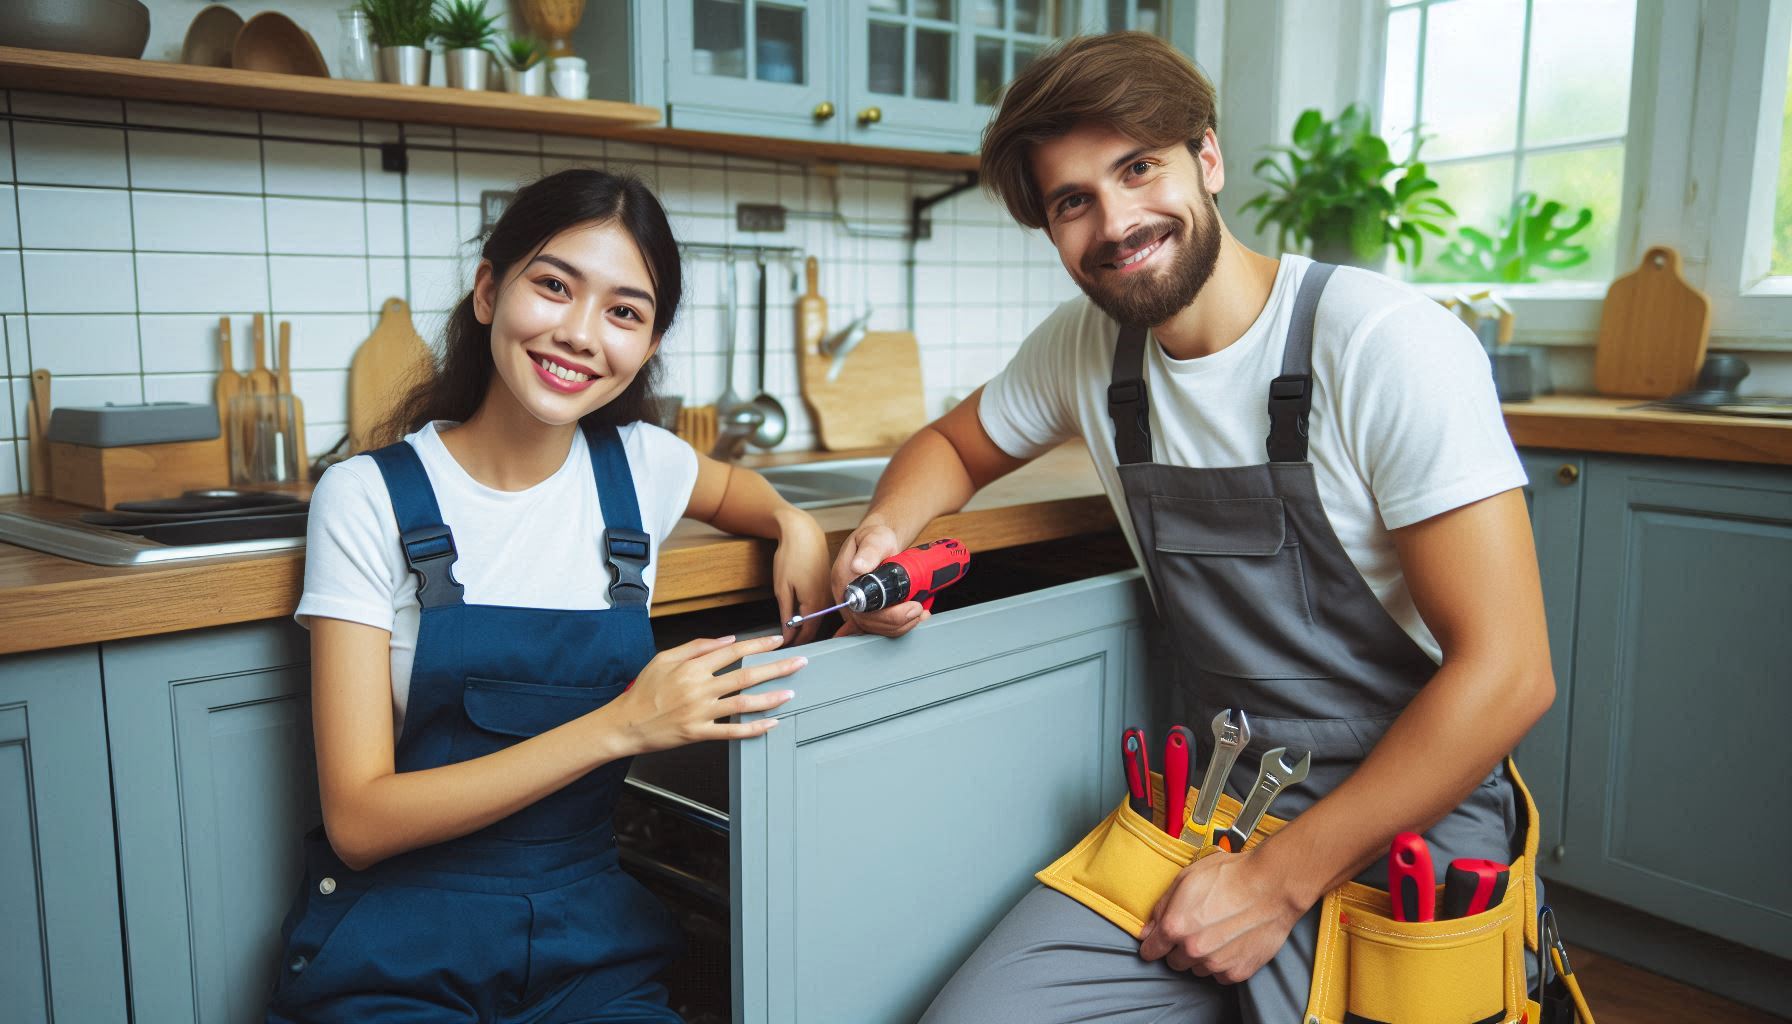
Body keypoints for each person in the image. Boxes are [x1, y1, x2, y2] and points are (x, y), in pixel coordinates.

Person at [832, 33, 1556, 1023]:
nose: (1116, 221)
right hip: (1213, 810)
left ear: (1205, 159)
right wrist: (882, 532)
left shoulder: (1385, 344)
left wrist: (1275, 884)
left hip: (1411, 823)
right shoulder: (1088, 349)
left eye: (1138, 169)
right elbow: (951, 446)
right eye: (1071, 200)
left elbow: (1509, 672)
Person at [267, 169, 832, 1023]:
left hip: (590, 949)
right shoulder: (369, 496)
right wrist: (621, 726)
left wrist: (797, 523)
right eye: (554, 286)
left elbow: (736, 492)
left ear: (648, 343)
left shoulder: (642, 466)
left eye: (624, 312)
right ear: (490, 290)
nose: (578, 334)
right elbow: (360, 819)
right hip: (398, 946)